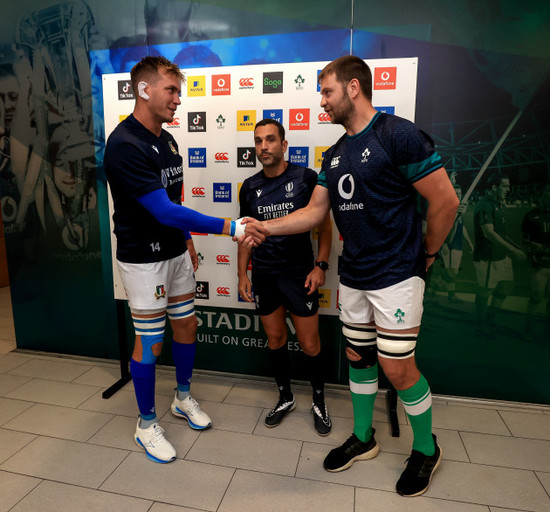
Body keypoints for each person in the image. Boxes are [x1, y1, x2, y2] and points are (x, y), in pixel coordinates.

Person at [242, 55, 459, 497]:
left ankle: (426, 448)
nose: (322, 100)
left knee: (397, 370)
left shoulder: (397, 135)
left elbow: (446, 202)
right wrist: (266, 226)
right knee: (359, 359)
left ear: (353, 88)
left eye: (327, 91)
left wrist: (428, 254)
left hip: (397, 273)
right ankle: (364, 438)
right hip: (355, 278)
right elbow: (315, 211)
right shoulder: (335, 153)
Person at [104, 56, 254, 464]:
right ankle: (146, 423)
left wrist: (187, 238)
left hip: (174, 253)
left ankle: (182, 398)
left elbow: (174, 202)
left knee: (187, 325)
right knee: (151, 344)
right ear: (144, 90)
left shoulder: (167, 140)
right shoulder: (123, 145)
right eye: (171, 90)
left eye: (178, 91)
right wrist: (232, 228)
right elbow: (164, 212)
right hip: (143, 261)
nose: (178, 99)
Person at [238, 119, 333, 435]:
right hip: (265, 275)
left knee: (309, 343)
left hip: (299, 275)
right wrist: (243, 274)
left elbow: (325, 225)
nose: (263, 147)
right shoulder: (249, 187)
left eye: (270, 140)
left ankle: (319, 401)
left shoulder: (306, 178)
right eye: (258, 141)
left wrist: (320, 266)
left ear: (283, 145)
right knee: (276, 339)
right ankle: (285, 397)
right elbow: (247, 234)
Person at [472, 173, 526, 329]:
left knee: (507, 286)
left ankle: (490, 319)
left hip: (501, 255)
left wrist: (514, 246)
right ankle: (481, 325)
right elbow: (488, 232)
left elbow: (501, 233)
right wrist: (513, 251)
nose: (508, 189)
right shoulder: (485, 205)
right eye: (505, 186)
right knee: (485, 291)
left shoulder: (497, 204)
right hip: (488, 257)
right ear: (494, 187)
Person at [521, 183, 550, 332]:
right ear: (541, 197)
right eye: (546, 194)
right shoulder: (531, 215)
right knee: (537, 297)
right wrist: (533, 245)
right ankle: (529, 326)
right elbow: (524, 239)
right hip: (539, 263)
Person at [438, 183, 474, 302]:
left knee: (453, 271)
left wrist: (469, 242)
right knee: (451, 271)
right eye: (456, 193)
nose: (458, 195)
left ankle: (438, 282)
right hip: (448, 244)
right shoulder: (446, 209)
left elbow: (461, 227)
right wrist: (443, 244)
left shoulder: (460, 209)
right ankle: (451, 294)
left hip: (458, 243)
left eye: (459, 193)